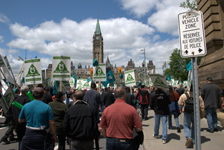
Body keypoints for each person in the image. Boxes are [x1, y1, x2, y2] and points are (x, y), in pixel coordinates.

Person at [83, 82, 102, 150]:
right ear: (95, 87)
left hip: (87, 110)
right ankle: (96, 144)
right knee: (95, 125)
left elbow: (84, 100)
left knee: (87, 125)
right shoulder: (97, 93)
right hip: (94, 111)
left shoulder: (86, 93)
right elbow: (100, 102)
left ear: (90, 86)